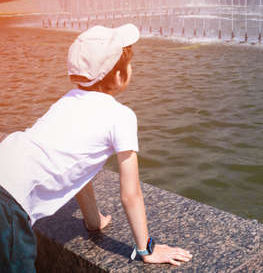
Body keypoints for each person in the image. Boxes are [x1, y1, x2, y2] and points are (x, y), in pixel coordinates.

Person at [0, 24, 192, 272]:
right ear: (121, 76)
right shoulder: (121, 116)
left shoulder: (65, 102)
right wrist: (146, 249)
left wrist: (94, 221)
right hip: (7, 205)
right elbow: (130, 193)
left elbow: (79, 169)